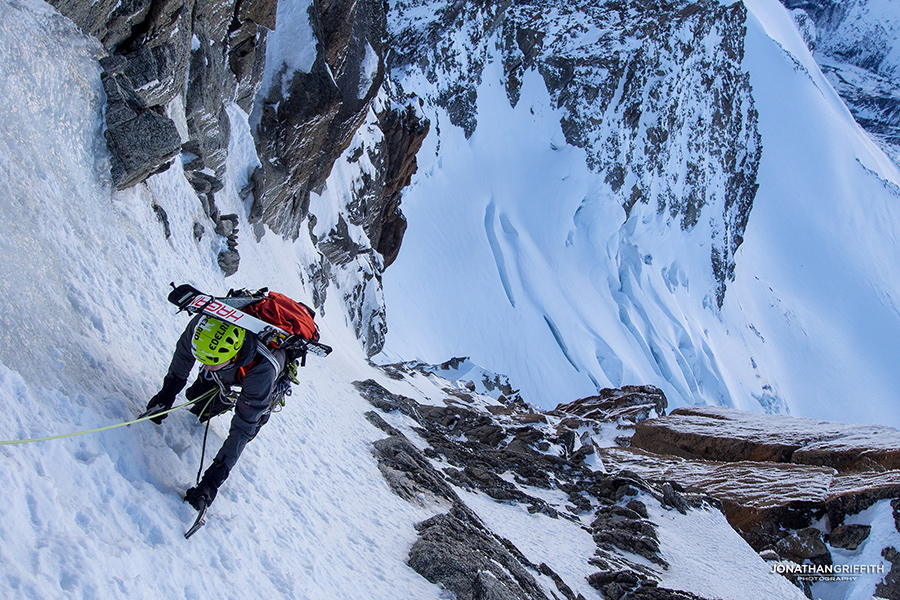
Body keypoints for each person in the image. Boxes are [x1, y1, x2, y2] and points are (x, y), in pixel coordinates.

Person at [145, 314, 286, 510]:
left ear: (232, 354)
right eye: (203, 360)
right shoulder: (202, 328)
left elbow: (242, 428)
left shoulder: (263, 372)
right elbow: (184, 354)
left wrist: (213, 479)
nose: (205, 366)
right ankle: (216, 395)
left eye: (211, 361)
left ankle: (227, 399)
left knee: (251, 424)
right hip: (230, 367)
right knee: (200, 402)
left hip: (258, 378)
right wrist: (166, 394)